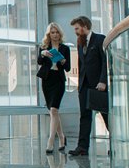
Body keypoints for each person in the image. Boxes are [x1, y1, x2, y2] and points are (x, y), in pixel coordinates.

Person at [68, 16, 110, 157]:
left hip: (99, 85)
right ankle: (82, 147)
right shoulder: (80, 43)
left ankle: (115, 144)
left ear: (85, 26)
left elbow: (105, 61)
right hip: (84, 86)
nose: (76, 31)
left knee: (106, 116)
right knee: (84, 117)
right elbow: (81, 65)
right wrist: (80, 86)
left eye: (77, 28)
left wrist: (103, 81)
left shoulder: (100, 39)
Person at [38, 23, 71, 154]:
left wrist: (63, 62)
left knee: (53, 109)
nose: (55, 34)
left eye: (57, 32)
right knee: (53, 112)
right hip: (47, 80)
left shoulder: (65, 48)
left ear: (60, 33)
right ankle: (62, 137)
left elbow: (68, 67)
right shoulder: (44, 47)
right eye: (52, 32)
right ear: (49, 34)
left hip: (58, 80)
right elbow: (39, 62)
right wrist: (43, 54)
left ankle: (51, 140)